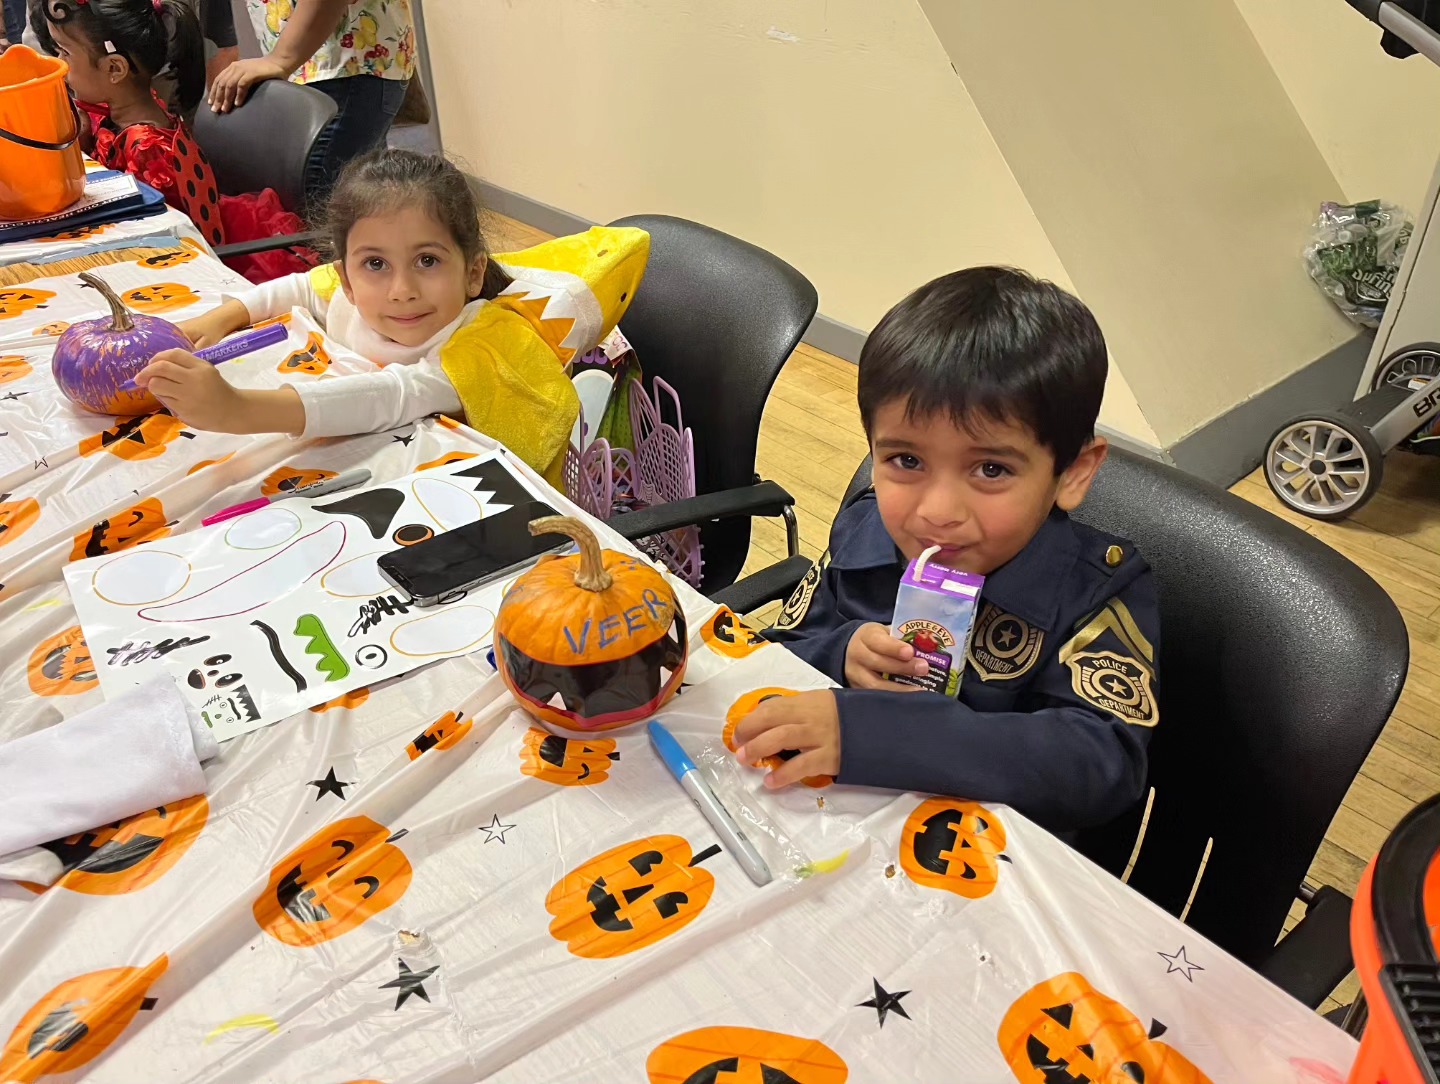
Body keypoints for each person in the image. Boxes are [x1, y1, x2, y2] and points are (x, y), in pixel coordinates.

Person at [736, 268, 1161, 832]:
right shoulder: (866, 530)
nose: (936, 510)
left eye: (990, 469)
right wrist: (840, 652)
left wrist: (881, 734)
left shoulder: (1098, 592)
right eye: (906, 460)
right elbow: (782, 644)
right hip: (828, 821)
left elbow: (1101, 764)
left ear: (1073, 472)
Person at [133, 148, 649, 484]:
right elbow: (302, 288)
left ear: (473, 274)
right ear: (349, 276)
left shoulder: (482, 347)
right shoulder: (349, 288)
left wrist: (239, 410)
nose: (401, 291)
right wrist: (225, 316)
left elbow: (395, 396)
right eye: (376, 264)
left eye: (427, 261)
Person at [30, 0, 227, 245]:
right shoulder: (128, 108)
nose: (59, 63)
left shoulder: (146, 147)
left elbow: (152, 239)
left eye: (65, 52)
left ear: (114, 68)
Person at [210, 0, 415, 207]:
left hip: (339, 67)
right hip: (331, 67)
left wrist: (282, 58)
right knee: (363, 205)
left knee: (324, 218)